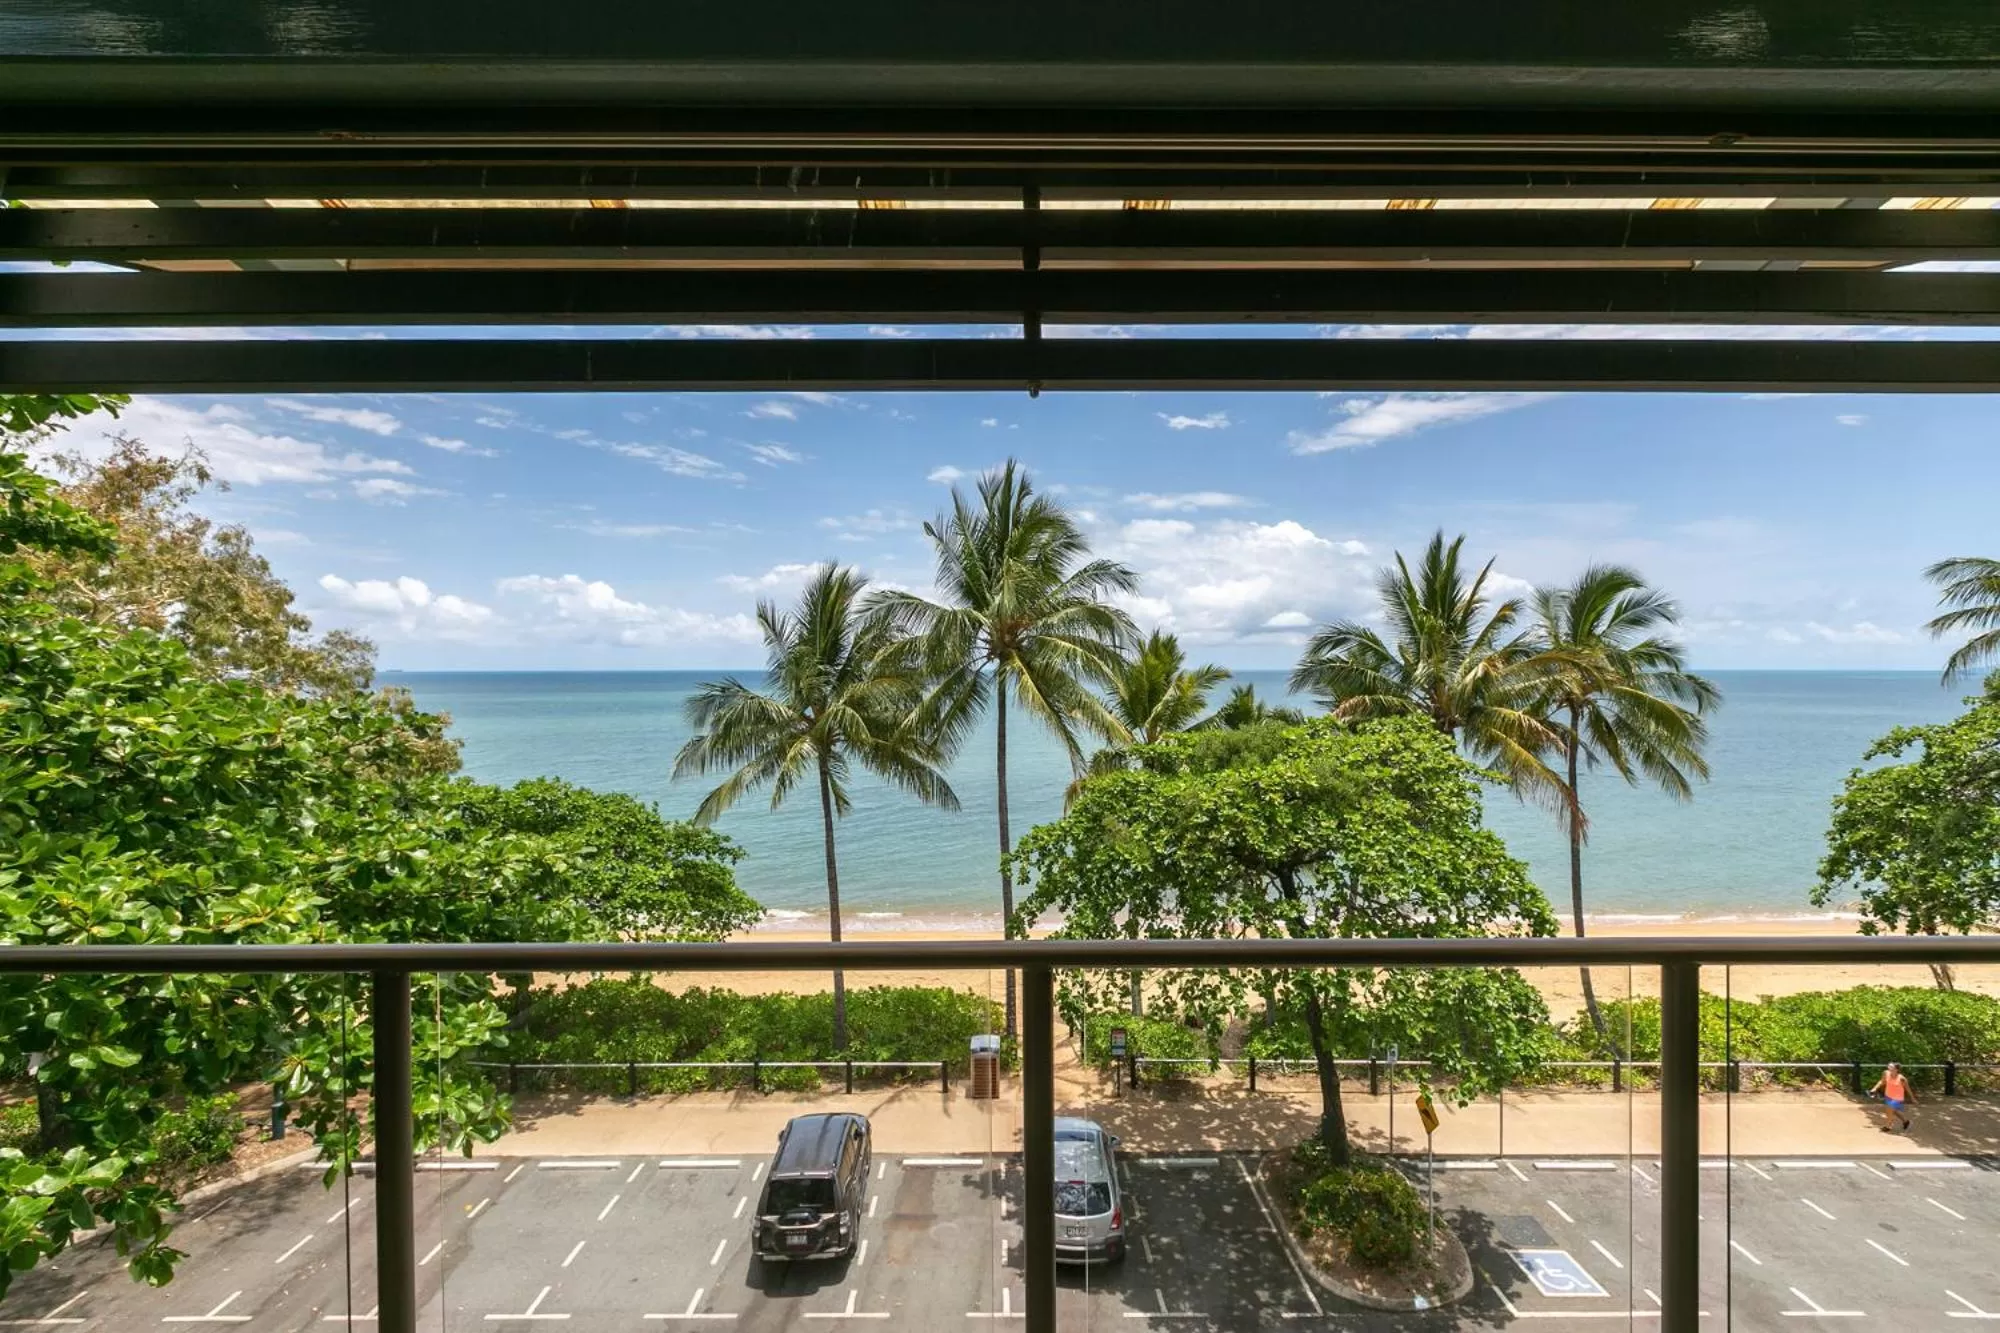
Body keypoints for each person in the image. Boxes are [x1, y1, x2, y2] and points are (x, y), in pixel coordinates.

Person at [1868, 1062, 1914, 1133]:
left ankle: (1888, 1126)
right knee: (1894, 1111)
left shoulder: (1902, 1079)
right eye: (1889, 1067)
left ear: (1896, 1069)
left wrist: (1912, 1098)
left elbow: (1908, 1089)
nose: (1889, 1068)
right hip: (1888, 1096)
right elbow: (1882, 1082)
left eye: (1892, 1067)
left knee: (1889, 1110)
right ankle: (1906, 1122)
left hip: (1898, 1098)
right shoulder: (1886, 1073)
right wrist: (1874, 1088)